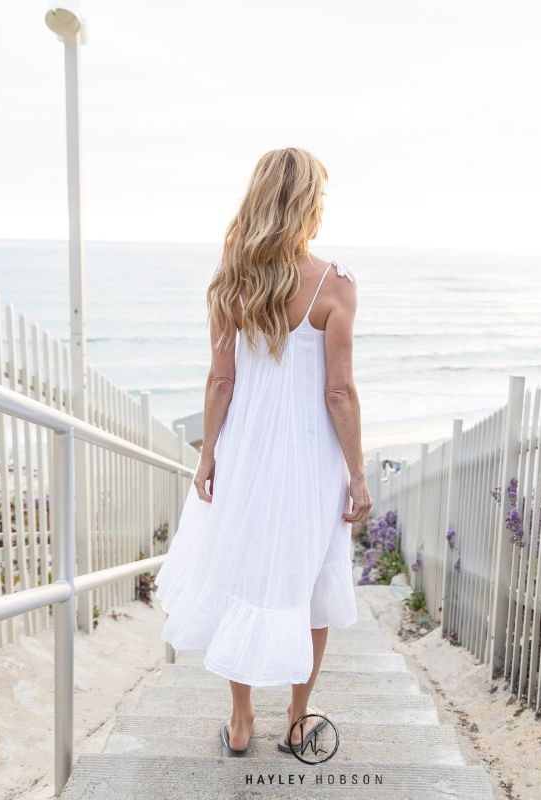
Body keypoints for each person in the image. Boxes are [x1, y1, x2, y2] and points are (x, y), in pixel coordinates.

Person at [154, 147, 372, 758]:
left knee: (243, 572)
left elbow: (220, 381)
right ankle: (298, 720)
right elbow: (338, 391)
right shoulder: (335, 284)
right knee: (313, 581)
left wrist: (208, 456)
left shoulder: (232, 282)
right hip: (311, 462)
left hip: (247, 456)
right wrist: (358, 474)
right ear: (307, 204)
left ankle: (241, 721)